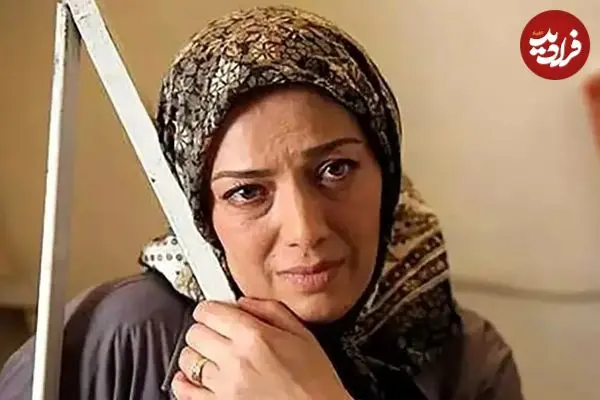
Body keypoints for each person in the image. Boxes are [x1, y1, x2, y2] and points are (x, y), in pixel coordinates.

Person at [0, 5, 523, 399]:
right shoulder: (121, 339)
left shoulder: (464, 362)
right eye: (247, 192)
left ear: (385, 168)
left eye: (335, 169)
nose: (306, 229)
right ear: (201, 214)